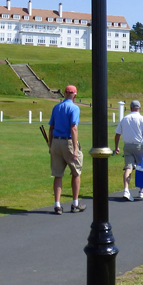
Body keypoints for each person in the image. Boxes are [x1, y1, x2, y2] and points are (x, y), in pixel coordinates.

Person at [48, 85, 86, 215]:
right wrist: (75, 148)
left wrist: (50, 145)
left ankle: (57, 204)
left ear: (64, 94)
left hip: (56, 142)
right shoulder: (74, 108)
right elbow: (73, 128)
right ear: (75, 95)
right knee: (76, 172)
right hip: (67, 141)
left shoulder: (57, 107)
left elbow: (51, 128)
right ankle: (75, 203)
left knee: (58, 174)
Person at [114, 99, 143, 201]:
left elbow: (117, 134)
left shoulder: (124, 119)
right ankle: (141, 190)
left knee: (128, 167)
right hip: (139, 146)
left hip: (127, 146)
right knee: (141, 167)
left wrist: (116, 147)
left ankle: (126, 190)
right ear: (139, 108)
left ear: (131, 108)